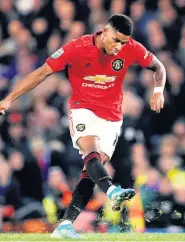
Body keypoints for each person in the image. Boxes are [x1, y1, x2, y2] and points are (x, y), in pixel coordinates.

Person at [0, 14, 166, 238]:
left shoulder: (132, 48)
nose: (119, 47)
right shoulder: (76, 48)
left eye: (124, 42)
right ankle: (112, 190)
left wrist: (158, 91)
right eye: (116, 40)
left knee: (91, 171)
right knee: (91, 151)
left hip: (113, 116)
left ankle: (65, 225)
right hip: (82, 109)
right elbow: (41, 73)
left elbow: (159, 67)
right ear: (105, 31)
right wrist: (10, 99)